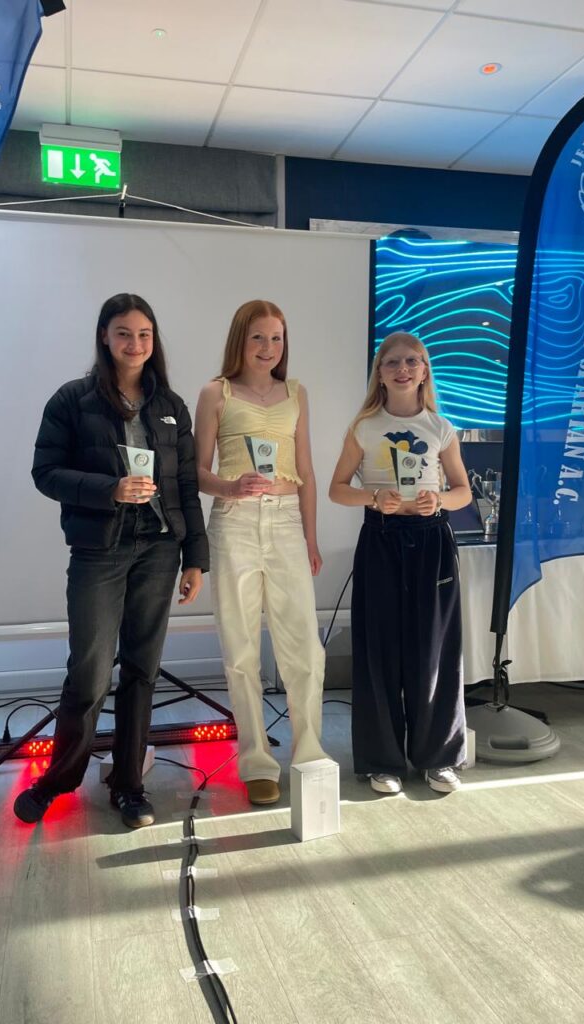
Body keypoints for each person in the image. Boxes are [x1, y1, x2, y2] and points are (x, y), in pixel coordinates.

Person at [13, 294, 208, 828]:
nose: (135, 344)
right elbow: (45, 472)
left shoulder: (170, 405)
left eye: (144, 334)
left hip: (160, 550)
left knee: (142, 671)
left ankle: (129, 786)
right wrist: (110, 489)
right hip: (100, 550)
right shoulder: (72, 400)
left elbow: (185, 486)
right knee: (91, 673)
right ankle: (57, 781)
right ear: (105, 336)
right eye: (124, 333)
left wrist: (195, 558)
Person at [194, 299, 327, 806]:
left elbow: (307, 472)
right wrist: (229, 488)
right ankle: (256, 763)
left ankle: (309, 753)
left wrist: (310, 537)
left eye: (276, 338)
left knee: (305, 648)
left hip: (288, 521)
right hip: (235, 523)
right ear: (240, 340)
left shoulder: (296, 393)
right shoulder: (216, 393)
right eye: (258, 337)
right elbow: (196, 470)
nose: (268, 347)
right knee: (241, 649)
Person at [329, 331, 471, 795]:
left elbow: (463, 491)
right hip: (382, 540)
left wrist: (440, 500)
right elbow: (337, 489)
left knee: (434, 651)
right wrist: (373, 497)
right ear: (380, 373)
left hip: (432, 544)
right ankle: (382, 760)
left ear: (425, 370)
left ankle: (439, 757)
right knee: (379, 651)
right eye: (392, 362)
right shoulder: (364, 426)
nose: (403, 369)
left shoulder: (441, 427)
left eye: (412, 361)